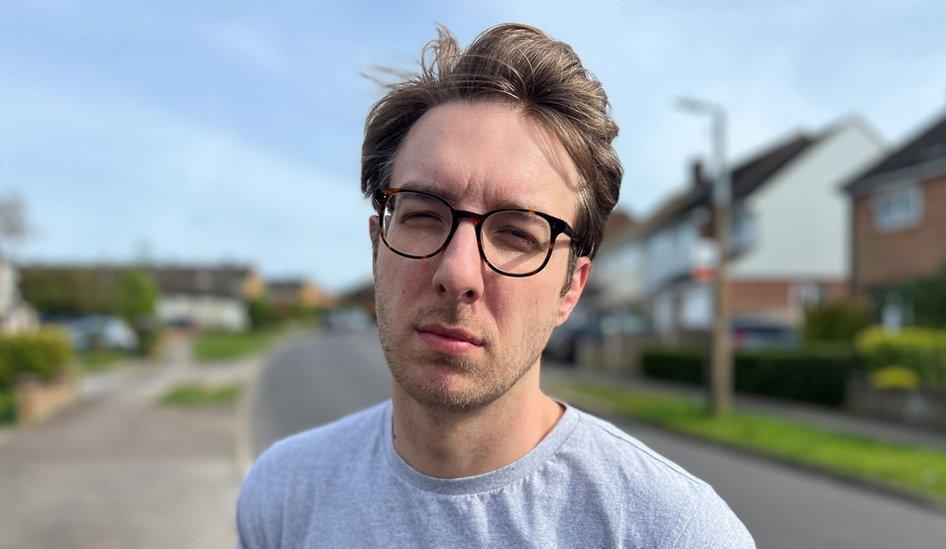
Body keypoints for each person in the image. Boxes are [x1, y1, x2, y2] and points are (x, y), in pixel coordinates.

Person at [237, 23, 754, 548]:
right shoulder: (284, 494)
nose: (458, 273)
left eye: (516, 233)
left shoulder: (677, 534)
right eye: (423, 215)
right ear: (377, 246)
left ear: (571, 289)